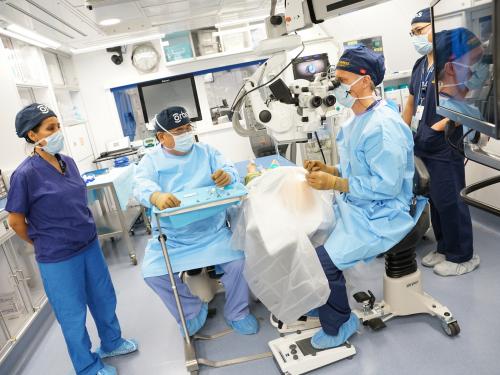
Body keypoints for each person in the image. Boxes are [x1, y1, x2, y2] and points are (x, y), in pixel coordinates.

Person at [303, 45, 423, 349]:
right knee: (307, 242)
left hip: (384, 215)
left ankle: (340, 324)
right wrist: (331, 168)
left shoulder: (384, 126)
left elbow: (387, 185)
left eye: (342, 81)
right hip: (359, 206)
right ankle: (324, 299)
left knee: (321, 263)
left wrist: (337, 182)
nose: (337, 89)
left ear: (365, 80)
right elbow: (359, 165)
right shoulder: (358, 118)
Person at [6, 104, 137, 375]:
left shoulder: (68, 162)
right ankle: (87, 366)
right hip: (58, 257)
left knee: (103, 298)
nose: (57, 133)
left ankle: (112, 343)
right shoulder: (25, 174)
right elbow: (16, 222)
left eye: (58, 126)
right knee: (72, 315)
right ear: (32, 136)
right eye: (50, 128)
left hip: (89, 244)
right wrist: (43, 242)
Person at [133, 106, 258, 337]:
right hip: (174, 239)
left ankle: (237, 312)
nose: (187, 134)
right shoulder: (151, 162)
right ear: (162, 137)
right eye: (179, 131)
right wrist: (155, 196)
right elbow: (141, 184)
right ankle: (191, 310)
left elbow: (229, 169)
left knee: (238, 263)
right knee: (152, 274)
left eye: (188, 128)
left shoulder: (207, 152)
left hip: (213, 232)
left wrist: (227, 176)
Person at [403, 8, 480, 277]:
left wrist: (439, 128)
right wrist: (404, 132)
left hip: (443, 144)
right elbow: (412, 101)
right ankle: (444, 247)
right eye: (412, 33)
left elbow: (465, 103)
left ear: (435, 28)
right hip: (421, 142)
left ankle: (463, 255)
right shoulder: (420, 66)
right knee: (434, 199)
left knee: (451, 201)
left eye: (420, 30)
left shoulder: (453, 63)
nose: (416, 37)